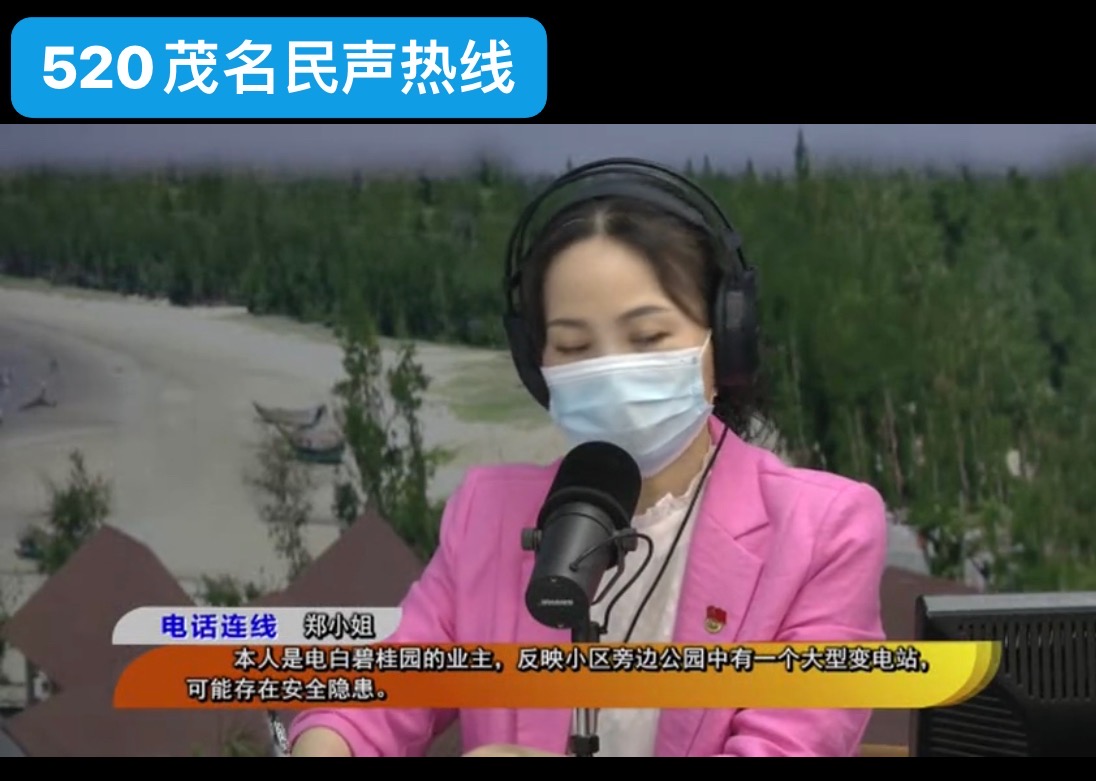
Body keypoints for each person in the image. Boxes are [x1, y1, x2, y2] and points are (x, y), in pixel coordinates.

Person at [289, 159, 887, 757]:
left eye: (648, 338)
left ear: (723, 341)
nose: (612, 371)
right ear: (537, 366)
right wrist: (329, 741)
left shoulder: (823, 533)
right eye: (574, 346)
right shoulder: (487, 514)